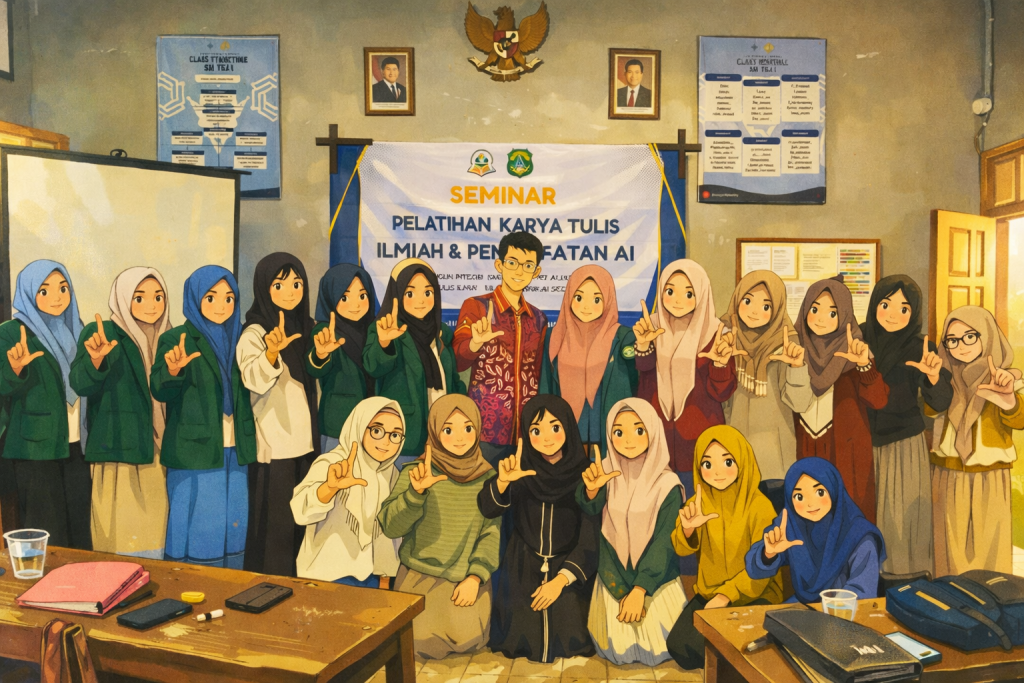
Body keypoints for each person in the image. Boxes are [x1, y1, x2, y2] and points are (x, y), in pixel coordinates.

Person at [478, 395, 599, 663]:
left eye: (555, 427)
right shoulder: (518, 468)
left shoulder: (587, 474)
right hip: (522, 568)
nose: (546, 438)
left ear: (568, 427)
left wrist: (560, 580)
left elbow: (590, 539)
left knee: (571, 636)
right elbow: (487, 508)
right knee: (518, 639)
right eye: (535, 430)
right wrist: (502, 483)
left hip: (569, 571)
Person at [151, 265, 257, 568]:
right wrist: (173, 371)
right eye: (211, 298)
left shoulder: (242, 337)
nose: (221, 306)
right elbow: (158, 388)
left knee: (234, 523)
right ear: (195, 298)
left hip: (236, 446)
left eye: (229, 298)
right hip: (194, 450)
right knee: (197, 526)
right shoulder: (176, 338)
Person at [378, 395, 499, 659]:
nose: (460, 438)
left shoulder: (488, 477)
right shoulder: (417, 471)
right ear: (434, 430)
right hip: (419, 582)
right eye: (448, 429)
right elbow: (390, 527)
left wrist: (474, 577)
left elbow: (491, 533)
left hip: (467, 587)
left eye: (468, 428)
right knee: (416, 645)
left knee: (469, 645)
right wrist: (415, 494)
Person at [69, 267, 172, 558]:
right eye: (140, 298)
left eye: (158, 297)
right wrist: (95, 361)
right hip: (116, 451)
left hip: (157, 450)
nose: (151, 305)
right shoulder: (102, 333)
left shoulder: (169, 335)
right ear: (124, 298)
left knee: (155, 539)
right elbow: (79, 383)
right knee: (116, 541)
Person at [577, 398, 685, 666]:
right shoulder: (605, 471)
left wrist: (640, 589)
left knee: (657, 648)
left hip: (656, 580)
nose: (627, 440)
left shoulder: (667, 484)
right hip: (613, 572)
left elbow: (665, 542)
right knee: (617, 650)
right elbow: (591, 514)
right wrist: (592, 491)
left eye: (638, 430)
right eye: (618, 432)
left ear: (652, 431)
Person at [665, 425, 783, 670]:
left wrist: (726, 595)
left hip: (754, 594)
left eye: (727, 462)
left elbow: (762, 572)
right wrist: (688, 530)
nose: (717, 472)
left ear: (741, 461)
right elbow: (681, 549)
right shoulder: (698, 502)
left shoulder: (759, 506)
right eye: (707, 464)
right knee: (680, 646)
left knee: (733, 652)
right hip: (711, 595)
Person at [860, 275, 953, 575]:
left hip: (903, 446)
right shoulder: (859, 338)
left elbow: (942, 401)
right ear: (875, 304)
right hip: (860, 442)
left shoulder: (920, 347)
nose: (893, 314)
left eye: (904, 308)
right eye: (886, 304)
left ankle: (903, 584)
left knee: (900, 522)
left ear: (913, 313)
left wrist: (934, 377)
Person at [236, 253, 319, 577]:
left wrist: (321, 355)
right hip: (274, 451)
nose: (290, 292)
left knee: (301, 531)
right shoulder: (255, 332)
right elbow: (252, 378)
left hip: (306, 447)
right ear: (264, 287)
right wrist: (271, 353)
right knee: (274, 537)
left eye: (297, 284)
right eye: (280, 284)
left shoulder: (308, 327)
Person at [0, 260, 91, 549]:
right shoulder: (11, 332)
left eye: (63, 288)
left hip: (77, 445)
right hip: (35, 448)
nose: (57, 297)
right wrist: (14, 370)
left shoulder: (78, 329)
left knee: (80, 529)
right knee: (46, 530)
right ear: (29, 292)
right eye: (44, 290)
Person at [932, 306, 1024, 575]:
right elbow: (930, 410)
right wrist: (934, 381)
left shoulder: (1004, 377)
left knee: (990, 550)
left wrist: (1009, 401)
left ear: (988, 335)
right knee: (949, 551)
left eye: (970, 337)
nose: (960, 346)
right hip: (948, 469)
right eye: (952, 340)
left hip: (990, 472)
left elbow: (1020, 420)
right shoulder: (943, 375)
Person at [633, 259, 738, 486]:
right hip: (656, 436)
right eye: (670, 291)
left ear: (701, 294)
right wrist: (643, 346)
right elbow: (645, 379)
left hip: (700, 438)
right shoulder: (651, 326)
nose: (678, 300)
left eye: (689, 293)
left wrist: (720, 365)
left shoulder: (716, 333)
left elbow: (721, 393)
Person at [794, 276, 888, 523]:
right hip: (806, 443)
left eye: (832, 313)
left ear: (844, 315)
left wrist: (865, 366)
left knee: (847, 516)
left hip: (845, 449)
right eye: (815, 309)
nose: (821, 319)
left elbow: (878, 401)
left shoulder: (856, 350)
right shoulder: (795, 348)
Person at [454, 232, 548, 464]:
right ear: (500, 265)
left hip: (527, 429)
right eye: (513, 263)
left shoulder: (538, 318)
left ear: (536, 271)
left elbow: (538, 373)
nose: (519, 271)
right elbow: (457, 359)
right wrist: (475, 343)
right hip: (485, 427)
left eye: (528, 265)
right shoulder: (477, 306)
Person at [291, 397, 404, 588]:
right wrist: (330, 488)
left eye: (395, 435)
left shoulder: (392, 474)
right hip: (324, 575)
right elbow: (300, 513)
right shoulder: (332, 463)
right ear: (359, 426)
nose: (386, 441)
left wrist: (384, 580)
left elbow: (389, 536)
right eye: (377, 431)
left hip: (371, 577)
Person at [365, 259, 465, 465]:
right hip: (406, 433)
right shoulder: (387, 328)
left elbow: (453, 380)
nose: (421, 300)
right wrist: (384, 342)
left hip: (443, 432)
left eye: (427, 292)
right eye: (410, 293)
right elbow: (373, 367)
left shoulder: (441, 332)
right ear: (397, 295)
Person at [745, 457, 886, 603]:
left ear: (833, 489)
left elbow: (863, 593)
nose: (810, 504)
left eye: (819, 492)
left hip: (843, 609)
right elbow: (755, 572)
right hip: (803, 605)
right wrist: (768, 553)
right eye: (799, 496)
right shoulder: (790, 523)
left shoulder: (860, 533)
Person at [719, 270, 814, 480]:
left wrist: (797, 367)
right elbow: (720, 399)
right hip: (733, 451)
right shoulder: (725, 335)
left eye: (766, 306)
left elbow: (800, 404)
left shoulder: (785, 340)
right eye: (747, 301)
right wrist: (720, 362)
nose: (754, 311)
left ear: (777, 308)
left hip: (774, 458)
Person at [541, 265, 637, 452]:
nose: (586, 306)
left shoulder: (623, 337)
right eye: (579, 297)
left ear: (608, 299)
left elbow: (637, 374)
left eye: (596, 299)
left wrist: (643, 347)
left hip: (609, 436)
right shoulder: (554, 337)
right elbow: (545, 388)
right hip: (564, 436)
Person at [307, 263, 377, 452]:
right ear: (330, 297)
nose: (356, 305)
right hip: (338, 423)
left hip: (373, 422)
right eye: (344, 297)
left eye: (362, 296)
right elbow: (313, 368)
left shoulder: (375, 329)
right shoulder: (324, 330)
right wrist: (321, 354)